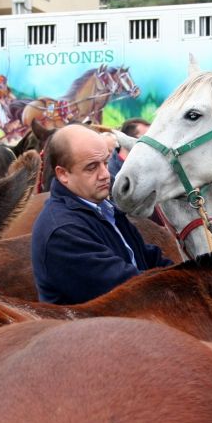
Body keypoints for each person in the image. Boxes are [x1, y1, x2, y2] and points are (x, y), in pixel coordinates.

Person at [31, 124, 172, 304]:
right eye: (91, 168)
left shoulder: (103, 207)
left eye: (105, 163)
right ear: (63, 174)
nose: (105, 174)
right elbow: (128, 288)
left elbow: (147, 258)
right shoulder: (62, 231)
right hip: (101, 329)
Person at [108, 117, 151, 182]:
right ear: (127, 140)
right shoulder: (111, 172)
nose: (152, 144)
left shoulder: (149, 167)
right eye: (147, 139)